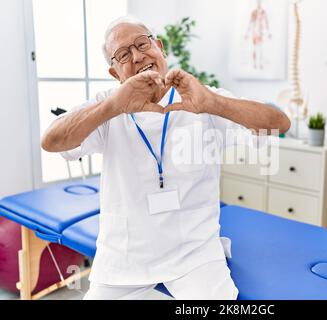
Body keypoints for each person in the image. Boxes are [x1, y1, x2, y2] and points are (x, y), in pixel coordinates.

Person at [41, 15, 290, 300]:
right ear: (115, 73)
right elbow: (51, 141)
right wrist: (113, 105)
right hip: (124, 257)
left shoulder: (199, 97)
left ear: (159, 48)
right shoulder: (106, 105)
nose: (137, 56)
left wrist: (212, 103)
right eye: (123, 54)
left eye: (142, 44)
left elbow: (279, 122)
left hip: (195, 254)